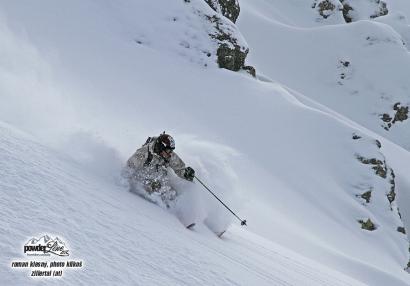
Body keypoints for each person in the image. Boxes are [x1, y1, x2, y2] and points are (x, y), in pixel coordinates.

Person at [125, 133, 195, 206]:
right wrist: (127, 185)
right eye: (168, 151)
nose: (170, 154)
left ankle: (180, 209)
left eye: (171, 151)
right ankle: (163, 208)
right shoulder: (143, 153)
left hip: (159, 178)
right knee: (161, 191)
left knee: (172, 193)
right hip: (142, 179)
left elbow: (179, 167)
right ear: (161, 147)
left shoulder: (168, 155)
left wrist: (185, 173)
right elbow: (129, 167)